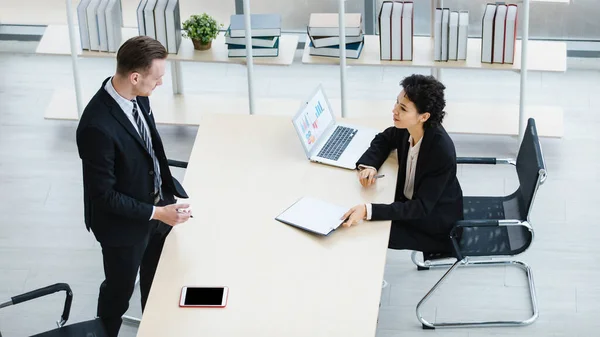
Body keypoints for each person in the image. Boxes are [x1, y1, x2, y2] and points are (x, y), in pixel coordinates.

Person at [76, 36, 192, 337]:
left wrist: (166, 196)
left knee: (159, 284)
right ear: (136, 76)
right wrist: (156, 212)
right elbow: (103, 196)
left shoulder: (138, 95)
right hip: (124, 227)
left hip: (158, 208)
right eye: (158, 78)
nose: (161, 84)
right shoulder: (96, 127)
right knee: (118, 293)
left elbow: (150, 147)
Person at [341, 74, 463, 253]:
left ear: (424, 116)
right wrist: (370, 165)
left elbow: (420, 208)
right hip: (409, 205)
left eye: (403, 108)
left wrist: (368, 211)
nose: (394, 110)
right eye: (396, 103)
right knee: (354, 211)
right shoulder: (408, 129)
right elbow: (384, 138)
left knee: (361, 230)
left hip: (433, 227)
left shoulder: (440, 151)